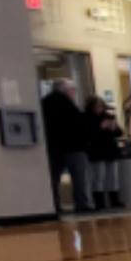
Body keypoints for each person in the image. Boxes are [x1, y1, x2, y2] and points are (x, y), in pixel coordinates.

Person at [41, 78, 95, 216]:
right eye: (73, 90)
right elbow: (78, 125)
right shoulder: (68, 105)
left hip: (53, 147)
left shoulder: (45, 103)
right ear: (67, 90)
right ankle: (82, 204)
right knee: (79, 178)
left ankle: (54, 204)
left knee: (53, 178)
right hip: (74, 147)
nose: (74, 93)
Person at [87, 95, 128, 210]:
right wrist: (100, 128)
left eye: (101, 106)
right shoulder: (88, 118)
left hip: (110, 149)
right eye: (97, 106)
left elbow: (119, 133)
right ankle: (99, 202)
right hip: (96, 150)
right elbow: (88, 134)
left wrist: (113, 128)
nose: (100, 109)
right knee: (98, 176)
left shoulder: (108, 117)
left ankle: (114, 199)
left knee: (112, 176)